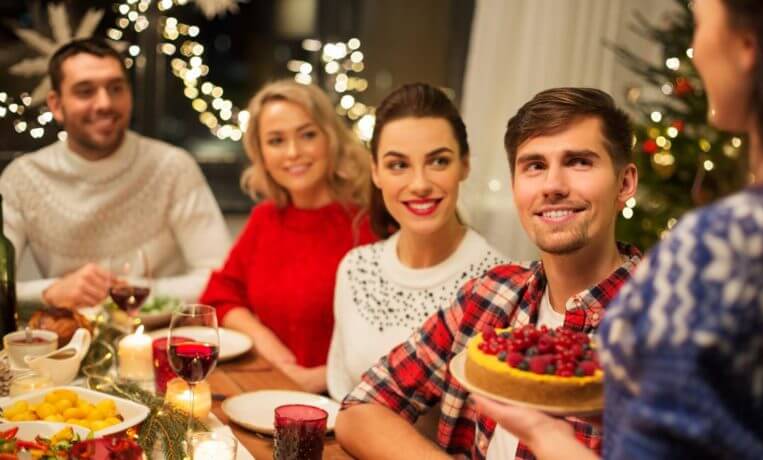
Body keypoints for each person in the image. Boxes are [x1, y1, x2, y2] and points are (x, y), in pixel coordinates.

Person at [474, 0, 763, 458]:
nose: (695, 47)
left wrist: (545, 434)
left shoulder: (715, 252)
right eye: (534, 166)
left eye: (700, 22)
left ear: (747, 46)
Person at [335, 87, 641, 459]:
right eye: (535, 166)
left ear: (624, 184)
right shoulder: (491, 295)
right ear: (515, 186)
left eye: (578, 162)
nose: (553, 186)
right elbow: (361, 409)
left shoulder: (668, 331)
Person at [0, 38, 230, 309]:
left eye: (116, 88)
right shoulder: (23, 177)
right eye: (85, 91)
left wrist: (138, 292)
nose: (105, 103)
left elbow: (221, 277)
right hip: (68, 342)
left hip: (162, 339)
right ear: (56, 105)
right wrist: (50, 292)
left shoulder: (173, 166)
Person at [326, 83, 508, 404]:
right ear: (376, 173)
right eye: (399, 165)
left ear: (464, 165)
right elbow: (342, 394)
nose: (420, 184)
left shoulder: (500, 284)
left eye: (439, 161)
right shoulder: (356, 268)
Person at [199, 80, 375, 393]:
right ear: (261, 154)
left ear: (330, 138)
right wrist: (273, 350)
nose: (293, 152)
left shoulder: (369, 223)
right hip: (272, 392)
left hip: (349, 407)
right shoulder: (265, 219)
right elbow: (220, 296)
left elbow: (402, 342)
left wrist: (322, 378)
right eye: (276, 140)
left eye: (307, 135)